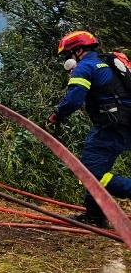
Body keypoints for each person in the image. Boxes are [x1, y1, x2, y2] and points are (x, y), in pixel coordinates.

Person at [49, 31, 131, 227]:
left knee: (91, 173)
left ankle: (96, 217)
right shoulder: (108, 62)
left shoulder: (85, 67)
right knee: (94, 170)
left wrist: (56, 115)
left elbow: (74, 100)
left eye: (68, 55)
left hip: (112, 127)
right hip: (125, 123)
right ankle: (94, 216)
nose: (68, 60)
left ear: (78, 50)